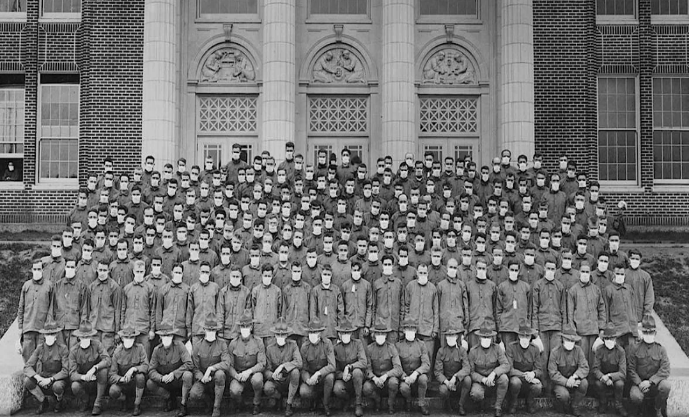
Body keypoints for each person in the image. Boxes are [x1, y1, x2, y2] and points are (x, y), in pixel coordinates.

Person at [146, 323, 194, 417]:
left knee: (188, 375)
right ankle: (169, 398)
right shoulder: (157, 350)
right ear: (160, 337)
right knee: (150, 383)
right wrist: (161, 378)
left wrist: (174, 374)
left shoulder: (179, 345)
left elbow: (189, 363)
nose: (166, 338)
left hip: (177, 380)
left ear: (172, 336)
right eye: (164, 336)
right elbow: (151, 370)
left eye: (168, 335)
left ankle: (183, 404)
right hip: (165, 381)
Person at [628, 314, 671, 417]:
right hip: (639, 384)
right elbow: (631, 369)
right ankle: (640, 410)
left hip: (655, 384)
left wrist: (651, 382)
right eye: (646, 332)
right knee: (635, 396)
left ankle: (657, 408)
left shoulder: (661, 349)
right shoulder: (635, 348)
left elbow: (665, 369)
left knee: (666, 386)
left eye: (651, 332)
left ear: (655, 333)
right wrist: (639, 383)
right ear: (642, 333)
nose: (648, 334)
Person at [23, 319, 69, 414]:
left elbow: (66, 370)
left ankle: (59, 400)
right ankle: (43, 401)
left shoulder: (63, 349)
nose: (49, 337)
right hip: (42, 379)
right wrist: (38, 377)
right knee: (28, 381)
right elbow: (27, 366)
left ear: (56, 335)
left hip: (56, 380)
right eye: (47, 334)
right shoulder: (40, 348)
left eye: (52, 334)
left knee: (58, 386)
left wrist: (51, 379)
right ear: (44, 335)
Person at [189, 312, 231, 417]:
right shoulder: (197, 346)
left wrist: (211, 368)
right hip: (203, 379)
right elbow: (195, 368)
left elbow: (226, 363)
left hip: (217, 379)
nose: (211, 332)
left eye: (213, 330)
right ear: (204, 330)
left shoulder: (222, 343)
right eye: (208, 330)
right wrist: (202, 377)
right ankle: (209, 402)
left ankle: (216, 408)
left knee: (220, 374)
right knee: (194, 394)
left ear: (216, 331)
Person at [468, 320, 510, 417]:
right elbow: (471, 372)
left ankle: (498, 407)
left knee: (504, 379)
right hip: (480, 381)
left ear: (492, 338)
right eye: (484, 337)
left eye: (488, 337)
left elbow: (506, 365)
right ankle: (479, 404)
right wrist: (483, 379)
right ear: (479, 338)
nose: (486, 339)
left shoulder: (497, 348)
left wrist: (494, 373)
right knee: (476, 393)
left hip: (494, 380)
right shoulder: (473, 351)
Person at [228, 309, 266, 415]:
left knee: (258, 379)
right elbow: (229, 365)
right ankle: (240, 403)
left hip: (253, 373)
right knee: (234, 390)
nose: (245, 329)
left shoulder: (258, 342)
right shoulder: (233, 344)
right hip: (239, 375)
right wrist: (236, 376)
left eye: (247, 326)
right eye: (242, 326)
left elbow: (262, 363)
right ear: (239, 328)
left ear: (251, 327)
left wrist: (249, 372)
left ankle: (256, 403)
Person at [69, 320, 111, 416]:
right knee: (75, 386)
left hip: (97, 380)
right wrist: (83, 377)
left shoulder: (97, 344)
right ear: (79, 337)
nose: (85, 339)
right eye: (83, 337)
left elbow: (107, 360)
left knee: (103, 371)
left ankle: (98, 403)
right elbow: (72, 374)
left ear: (91, 337)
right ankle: (85, 400)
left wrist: (95, 368)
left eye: (87, 337)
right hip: (83, 382)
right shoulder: (74, 351)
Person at [263, 318, 303, 417]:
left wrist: (283, 366)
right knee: (267, 388)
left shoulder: (293, 345)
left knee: (295, 372)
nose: (280, 337)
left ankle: (289, 404)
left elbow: (299, 362)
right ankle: (278, 397)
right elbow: (267, 369)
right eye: (278, 335)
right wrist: (272, 375)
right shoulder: (269, 348)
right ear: (275, 335)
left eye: (283, 335)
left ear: (287, 335)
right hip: (276, 380)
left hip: (288, 378)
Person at [548, 325, 589, 417]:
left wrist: (574, 377)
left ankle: (575, 406)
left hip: (574, 380)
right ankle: (564, 406)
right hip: (560, 383)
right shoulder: (555, 352)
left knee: (584, 383)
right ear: (563, 339)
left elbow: (585, 367)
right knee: (563, 395)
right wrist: (566, 382)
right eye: (568, 340)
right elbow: (552, 373)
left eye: (572, 341)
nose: (570, 342)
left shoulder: (578, 350)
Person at [108, 326, 149, 416]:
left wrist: (134, 369)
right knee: (113, 391)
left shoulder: (140, 348)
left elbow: (146, 366)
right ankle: (124, 400)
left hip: (136, 383)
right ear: (122, 338)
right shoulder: (117, 352)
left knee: (140, 377)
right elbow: (111, 375)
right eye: (126, 337)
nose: (129, 340)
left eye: (131, 338)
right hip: (123, 384)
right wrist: (121, 379)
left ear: (134, 339)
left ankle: (137, 405)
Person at [18, 259, 54, 362]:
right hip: (28, 328)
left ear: (42, 270)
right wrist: (20, 327)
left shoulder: (49, 286)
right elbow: (21, 308)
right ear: (32, 270)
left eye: (39, 269)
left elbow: (52, 308)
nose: (37, 271)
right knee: (28, 358)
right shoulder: (26, 286)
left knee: (41, 358)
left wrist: (48, 327)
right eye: (35, 269)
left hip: (42, 328)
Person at [299, 318, 336, 416]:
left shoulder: (327, 343)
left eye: (315, 332)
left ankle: (326, 404)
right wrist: (307, 379)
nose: (313, 335)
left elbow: (332, 366)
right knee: (304, 391)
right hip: (311, 376)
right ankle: (314, 399)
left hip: (323, 376)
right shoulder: (304, 347)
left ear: (320, 333)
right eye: (311, 332)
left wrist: (319, 373)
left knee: (330, 377)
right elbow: (303, 368)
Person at [363, 324, 402, 414]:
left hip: (388, 379)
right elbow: (367, 368)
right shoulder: (369, 348)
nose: (380, 336)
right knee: (366, 388)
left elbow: (398, 368)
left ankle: (390, 404)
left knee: (394, 382)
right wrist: (374, 378)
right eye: (378, 334)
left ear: (386, 335)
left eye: (382, 334)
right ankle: (377, 400)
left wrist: (386, 375)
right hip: (375, 380)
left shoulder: (391, 347)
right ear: (374, 335)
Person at [505, 324, 544, 415]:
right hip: (516, 378)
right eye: (522, 336)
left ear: (530, 337)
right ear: (518, 336)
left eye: (527, 336)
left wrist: (533, 374)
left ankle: (529, 402)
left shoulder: (535, 349)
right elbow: (509, 368)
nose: (525, 339)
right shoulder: (511, 347)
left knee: (538, 386)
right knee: (515, 382)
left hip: (529, 380)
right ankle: (513, 403)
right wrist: (525, 375)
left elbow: (539, 369)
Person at [333, 318, 368, 417]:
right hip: (344, 379)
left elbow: (363, 362)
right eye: (343, 333)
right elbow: (334, 368)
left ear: (351, 333)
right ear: (339, 334)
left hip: (357, 377)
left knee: (357, 372)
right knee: (337, 389)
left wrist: (349, 367)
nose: (345, 335)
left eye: (347, 333)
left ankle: (358, 404)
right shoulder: (336, 347)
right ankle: (347, 399)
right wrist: (342, 375)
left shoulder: (357, 343)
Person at [395, 318, 431, 415]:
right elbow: (396, 365)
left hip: (417, 378)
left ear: (416, 331)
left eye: (412, 329)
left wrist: (416, 373)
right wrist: (404, 377)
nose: (410, 332)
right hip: (405, 379)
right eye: (408, 329)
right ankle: (408, 401)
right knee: (403, 388)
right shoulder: (398, 346)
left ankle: (421, 404)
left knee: (423, 378)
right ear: (404, 331)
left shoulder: (421, 345)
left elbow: (426, 364)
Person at [592, 323, 628, 416]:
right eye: (607, 338)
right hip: (603, 378)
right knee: (598, 384)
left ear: (615, 339)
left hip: (615, 378)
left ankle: (618, 405)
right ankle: (603, 402)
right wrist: (603, 377)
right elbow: (595, 369)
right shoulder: (599, 349)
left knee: (620, 384)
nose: (609, 341)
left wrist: (610, 376)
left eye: (612, 338)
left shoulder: (620, 351)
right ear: (604, 339)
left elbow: (623, 373)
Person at [434, 327, 471, 415]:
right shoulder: (441, 351)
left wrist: (456, 376)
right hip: (446, 381)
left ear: (456, 337)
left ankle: (461, 405)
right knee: (443, 390)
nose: (450, 338)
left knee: (468, 380)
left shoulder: (462, 350)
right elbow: (437, 371)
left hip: (458, 381)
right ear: (446, 337)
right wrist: (446, 382)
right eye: (448, 336)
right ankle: (447, 403)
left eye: (453, 336)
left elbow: (467, 368)